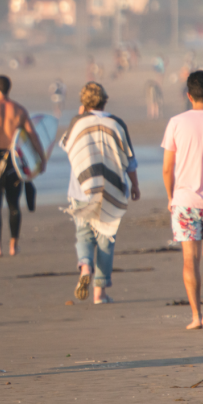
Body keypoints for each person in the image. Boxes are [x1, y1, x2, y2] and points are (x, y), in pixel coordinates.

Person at [60, 83, 140, 305]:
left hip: (81, 189)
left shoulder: (78, 122)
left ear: (83, 102)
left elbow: (69, 147)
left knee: (84, 234)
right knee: (106, 238)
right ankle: (99, 293)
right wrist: (135, 186)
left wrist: (79, 118)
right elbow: (130, 160)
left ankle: (85, 265)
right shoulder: (116, 123)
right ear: (105, 100)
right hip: (111, 188)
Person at [0, 75, 46, 258]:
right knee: (14, 204)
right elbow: (33, 137)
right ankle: (14, 245)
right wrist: (41, 160)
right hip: (15, 162)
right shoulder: (19, 110)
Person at [163, 71, 203, 329]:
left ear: (188, 95)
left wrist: (170, 197)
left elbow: (168, 167)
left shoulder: (176, 122)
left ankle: (195, 316)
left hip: (186, 201)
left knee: (190, 259)